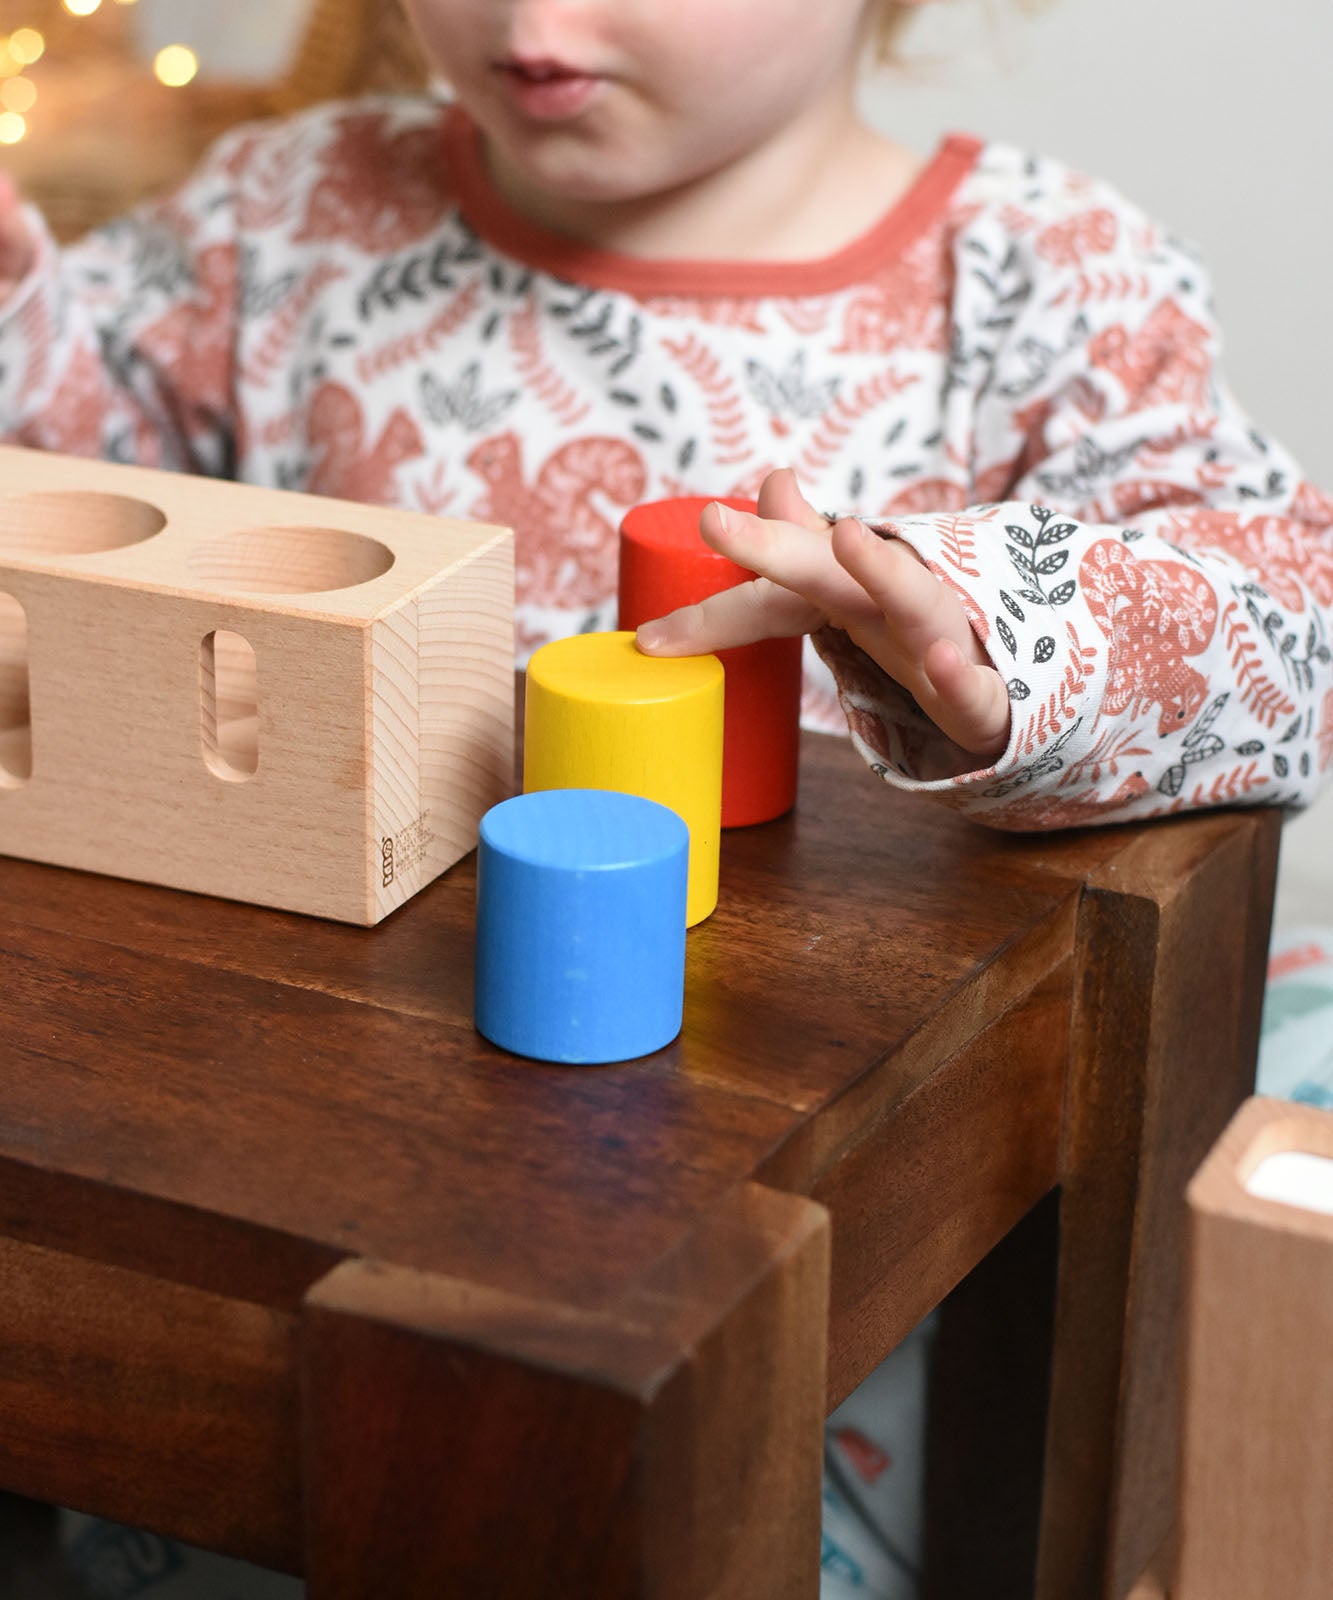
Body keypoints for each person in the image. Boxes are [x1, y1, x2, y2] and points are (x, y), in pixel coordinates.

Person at [0, 0, 1329, 1595]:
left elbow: (1279, 623)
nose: (531, 15)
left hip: (874, 1162)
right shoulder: (283, 211)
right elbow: (65, 484)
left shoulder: (1044, 275)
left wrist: (999, 627)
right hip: (383, 1139)